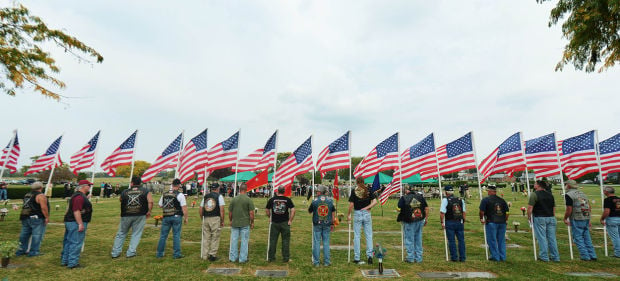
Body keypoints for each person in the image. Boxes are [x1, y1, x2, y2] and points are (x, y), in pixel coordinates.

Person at [111, 177, 153, 258]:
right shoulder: (145, 191)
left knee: (121, 233)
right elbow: (150, 201)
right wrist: (149, 211)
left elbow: (120, 199)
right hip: (140, 214)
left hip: (126, 214)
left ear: (132, 183)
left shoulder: (125, 191)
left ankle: (115, 252)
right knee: (136, 234)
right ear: (140, 183)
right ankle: (131, 252)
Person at [61, 180, 93, 269]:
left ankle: (65, 260)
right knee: (76, 242)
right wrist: (80, 223)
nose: (90, 187)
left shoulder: (77, 195)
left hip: (70, 221)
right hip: (75, 222)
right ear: (83, 186)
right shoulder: (79, 197)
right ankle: (73, 263)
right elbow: (76, 210)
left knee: (68, 242)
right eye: (89, 185)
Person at [562, 180, 597, 261]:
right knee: (587, 237)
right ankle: (592, 255)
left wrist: (565, 218)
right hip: (586, 216)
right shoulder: (582, 193)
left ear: (569, 186)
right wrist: (589, 218)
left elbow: (569, 208)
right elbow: (589, 206)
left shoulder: (569, 195)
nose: (565, 186)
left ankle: (585, 256)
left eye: (566, 184)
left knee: (578, 238)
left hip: (576, 217)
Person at [347, 177, 377, 264]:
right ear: (364, 182)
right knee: (369, 236)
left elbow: (351, 205)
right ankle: (370, 256)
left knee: (357, 236)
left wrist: (348, 214)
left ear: (356, 182)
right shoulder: (368, 190)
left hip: (357, 213)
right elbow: (375, 202)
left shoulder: (354, 191)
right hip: (367, 214)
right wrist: (367, 207)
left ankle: (357, 257)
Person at [527, 180, 559, 262]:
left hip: (539, 217)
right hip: (551, 217)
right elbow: (553, 208)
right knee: (552, 238)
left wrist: (529, 217)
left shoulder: (534, 194)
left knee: (542, 238)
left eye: (535, 184)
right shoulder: (550, 195)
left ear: (538, 186)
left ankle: (544, 256)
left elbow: (530, 208)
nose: (534, 185)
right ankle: (555, 256)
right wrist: (552, 216)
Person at [15, 181, 49, 257]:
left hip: (25, 216)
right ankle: (34, 252)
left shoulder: (27, 194)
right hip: (36, 217)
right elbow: (43, 208)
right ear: (41, 187)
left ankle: (21, 250)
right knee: (37, 235)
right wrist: (47, 217)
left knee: (24, 234)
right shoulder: (40, 196)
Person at [156, 179, 188, 259]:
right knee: (176, 235)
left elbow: (160, 205)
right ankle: (176, 254)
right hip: (176, 216)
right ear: (178, 185)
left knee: (163, 236)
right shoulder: (180, 195)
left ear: (172, 185)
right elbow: (184, 208)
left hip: (166, 216)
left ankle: (159, 254)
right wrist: (186, 218)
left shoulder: (164, 194)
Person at [398, 185, 428, 263]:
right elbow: (426, 207)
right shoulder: (420, 197)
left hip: (409, 220)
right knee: (418, 238)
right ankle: (419, 258)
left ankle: (410, 257)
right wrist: (426, 218)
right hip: (420, 219)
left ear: (406, 191)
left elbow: (399, 207)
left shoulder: (404, 198)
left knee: (409, 239)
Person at [479, 185, 509, 261]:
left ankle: (495, 256)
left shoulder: (485, 200)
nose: (487, 192)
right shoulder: (502, 200)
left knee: (492, 240)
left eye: (488, 191)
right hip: (502, 222)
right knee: (501, 240)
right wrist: (505, 220)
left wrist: (481, 218)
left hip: (491, 222)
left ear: (490, 191)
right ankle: (502, 256)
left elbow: (481, 211)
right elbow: (507, 212)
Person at [266, 186, 296, 262]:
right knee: (285, 241)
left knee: (273, 240)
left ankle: (271, 257)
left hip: (274, 223)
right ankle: (286, 258)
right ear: (284, 191)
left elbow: (267, 209)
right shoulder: (287, 200)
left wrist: (270, 217)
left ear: (277, 191)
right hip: (285, 223)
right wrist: (290, 220)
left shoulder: (272, 199)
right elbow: (293, 210)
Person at [308, 185, 336, 266]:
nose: (316, 192)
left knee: (316, 242)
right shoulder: (330, 201)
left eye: (317, 191)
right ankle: (327, 262)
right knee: (326, 242)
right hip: (327, 223)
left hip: (317, 224)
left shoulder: (315, 201)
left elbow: (309, 211)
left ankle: (316, 262)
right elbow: (333, 212)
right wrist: (332, 222)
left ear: (320, 192)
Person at [228, 183, 254, 263]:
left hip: (235, 222)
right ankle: (242, 259)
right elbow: (251, 213)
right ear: (246, 190)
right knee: (244, 241)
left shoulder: (234, 199)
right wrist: (252, 222)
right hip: (245, 223)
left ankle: (233, 257)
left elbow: (230, 212)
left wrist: (231, 220)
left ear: (239, 190)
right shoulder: (248, 199)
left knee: (234, 240)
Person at [440, 185, 466, 262]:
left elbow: (442, 212)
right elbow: (464, 212)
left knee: (451, 241)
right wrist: (463, 220)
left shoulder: (445, 200)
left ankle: (454, 257)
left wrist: (442, 222)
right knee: (461, 240)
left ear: (446, 192)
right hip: (459, 221)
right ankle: (462, 257)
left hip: (449, 221)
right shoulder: (461, 200)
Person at [200, 183, 225, 261]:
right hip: (215, 218)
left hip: (206, 217)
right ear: (217, 189)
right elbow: (222, 210)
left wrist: (202, 218)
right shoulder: (219, 196)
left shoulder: (206, 196)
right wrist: (222, 220)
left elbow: (200, 208)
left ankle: (204, 255)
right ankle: (212, 255)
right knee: (215, 237)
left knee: (206, 237)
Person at [601, 186, 620, 258]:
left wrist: (602, 219)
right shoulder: (619, 199)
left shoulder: (607, 200)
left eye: (604, 190)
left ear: (606, 192)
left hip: (612, 219)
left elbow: (607, 211)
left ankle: (618, 253)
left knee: (615, 237)